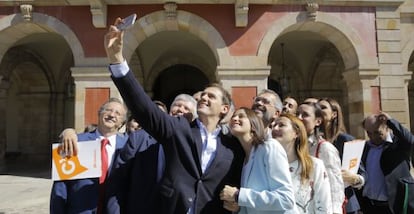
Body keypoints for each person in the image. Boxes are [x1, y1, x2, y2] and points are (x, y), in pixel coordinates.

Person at [104, 17, 244, 213]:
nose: (203, 98)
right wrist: (117, 60)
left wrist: (238, 201)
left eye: (211, 96)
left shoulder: (232, 144)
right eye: (202, 95)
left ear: (224, 108)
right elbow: (144, 109)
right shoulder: (179, 128)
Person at [50, 98, 128, 214]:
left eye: (118, 113)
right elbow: (60, 187)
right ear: (99, 113)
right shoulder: (76, 142)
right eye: (108, 110)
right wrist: (68, 131)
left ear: (122, 122)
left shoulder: (129, 145)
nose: (112, 115)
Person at [219, 107, 295, 213]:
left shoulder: (270, 147)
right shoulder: (243, 160)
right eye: (233, 116)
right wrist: (239, 208)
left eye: (241, 116)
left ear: (253, 123)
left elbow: (286, 199)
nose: (235, 119)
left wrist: (238, 195)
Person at [272, 113, 332, 213]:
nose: (275, 129)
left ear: (296, 133)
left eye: (281, 125)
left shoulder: (314, 166)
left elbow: (324, 207)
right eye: (273, 126)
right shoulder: (267, 166)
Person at [359, 112, 414, 214]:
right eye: (369, 133)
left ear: (387, 128)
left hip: (394, 206)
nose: (373, 137)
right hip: (370, 206)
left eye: (377, 132)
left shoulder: (398, 145)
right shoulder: (365, 147)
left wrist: (390, 121)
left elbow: (410, 140)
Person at [318, 98, 364, 214]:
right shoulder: (313, 141)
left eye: (323, 107)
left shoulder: (345, 140)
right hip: (321, 203)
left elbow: (363, 173)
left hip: (346, 204)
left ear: (334, 114)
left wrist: (355, 178)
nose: (318, 109)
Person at [297, 102, 344, 214]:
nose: (299, 118)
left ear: (317, 121)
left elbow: (335, 187)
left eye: (305, 115)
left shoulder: (325, 148)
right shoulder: (293, 146)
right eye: (297, 114)